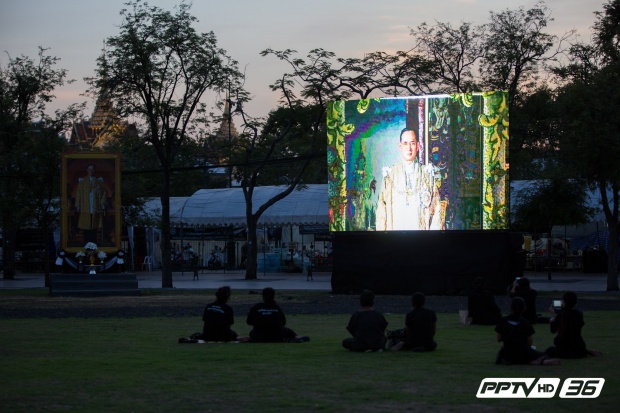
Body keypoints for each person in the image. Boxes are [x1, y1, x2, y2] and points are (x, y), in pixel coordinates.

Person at [375, 128, 444, 230]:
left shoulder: (427, 176)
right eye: (405, 143)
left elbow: (437, 210)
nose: (409, 148)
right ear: (400, 146)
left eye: (412, 143)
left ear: (417, 146)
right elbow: (382, 213)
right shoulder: (390, 176)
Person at [494, 297, 560, 365]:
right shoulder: (525, 323)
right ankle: (537, 361)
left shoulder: (503, 321)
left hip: (508, 352)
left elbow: (499, 338)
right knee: (545, 353)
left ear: (511, 308)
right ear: (524, 308)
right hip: (523, 352)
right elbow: (530, 342)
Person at [545, 291, 602, 358]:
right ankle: (586, 351)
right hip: (579, 349)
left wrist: (553, 317)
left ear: (564, 302)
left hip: (564, 350)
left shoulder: (561, 315)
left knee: (549, 350)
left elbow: (553, 330)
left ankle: (586, 351)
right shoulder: (579, 314)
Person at [75, 163, 107, 243]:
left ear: (94, 170)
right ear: (87, 170)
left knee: (94, 226)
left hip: (95, 206)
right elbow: (78, 194)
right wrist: (78, 205)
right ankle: (86, 243)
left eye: (92, 169)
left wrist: (102, 203)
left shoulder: (98, 181)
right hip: (85, 206)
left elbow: (103, 192)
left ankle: (93, 243)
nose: (91, 171)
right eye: (89, 169)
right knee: (86, 225)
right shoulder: (82, 181)